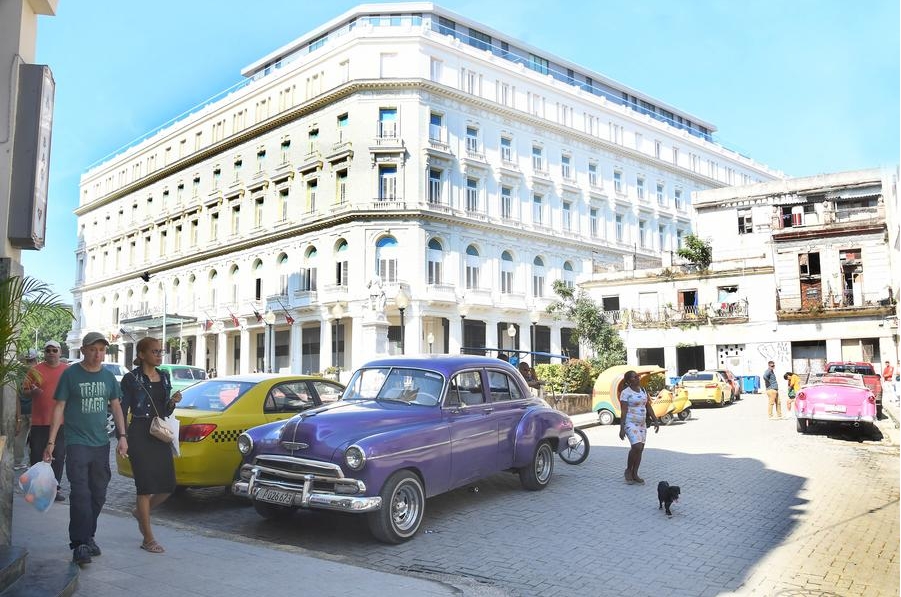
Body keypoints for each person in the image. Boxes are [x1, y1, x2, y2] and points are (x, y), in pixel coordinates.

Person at [43, 332, 128, 566]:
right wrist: (51, 442)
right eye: (93, 349)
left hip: (101, 443)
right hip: (77, 442)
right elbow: (59, 407)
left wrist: (122, 436)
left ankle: (89, 535)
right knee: (80, 493)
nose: (98, 354)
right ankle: (79, 544)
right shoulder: (70, 374)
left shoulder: (109, 377)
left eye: (101, 350)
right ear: (83, 350)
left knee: (98, 493)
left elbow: (117, 407)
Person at [119, 337, 182, 554]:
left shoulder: (164, 376)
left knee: (168, 485)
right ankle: (148, 538)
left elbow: (164, 410)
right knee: (145, 487)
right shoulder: (131, 379)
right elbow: (123, 408)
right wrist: (122, 436)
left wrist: (172, 402)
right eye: (154, 351)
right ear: (142, 354)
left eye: (160, 351)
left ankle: (140, 513)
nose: (159, 355)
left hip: (159, 433)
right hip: (139, 433)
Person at [25, 340, 68, 501]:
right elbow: (26, 391)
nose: (51, 352)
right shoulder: (35, 370)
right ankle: (36, 490)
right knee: (36, 456)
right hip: (39, 421)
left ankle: (54, 489)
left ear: (60, 352)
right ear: (44, 353)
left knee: (58, 456)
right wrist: (33, 391)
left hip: (61, 423)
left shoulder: (67, 371)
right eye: (48, 350)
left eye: (54, 350)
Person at [618, 370, 660, 485]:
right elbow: (624, 411)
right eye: (634, 377)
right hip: (630, 423)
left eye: (637, 376)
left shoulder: (643, 390)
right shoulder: (625, 393)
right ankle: (628, 470)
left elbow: (648, 406)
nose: (637, 378)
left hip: (642, 424)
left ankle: (635, 473)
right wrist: (622, 428)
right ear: (628, 381)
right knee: (636, 446)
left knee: (640, 449)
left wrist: (655, 420)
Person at [13, 349, 38, 471]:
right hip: (34, 410)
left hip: (21, 410)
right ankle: (33, 462)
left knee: (20, 437)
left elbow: (16, 395)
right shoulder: (38, 372)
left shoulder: (17, 373)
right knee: (34, 438)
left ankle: (17, 462)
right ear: (35, 359)